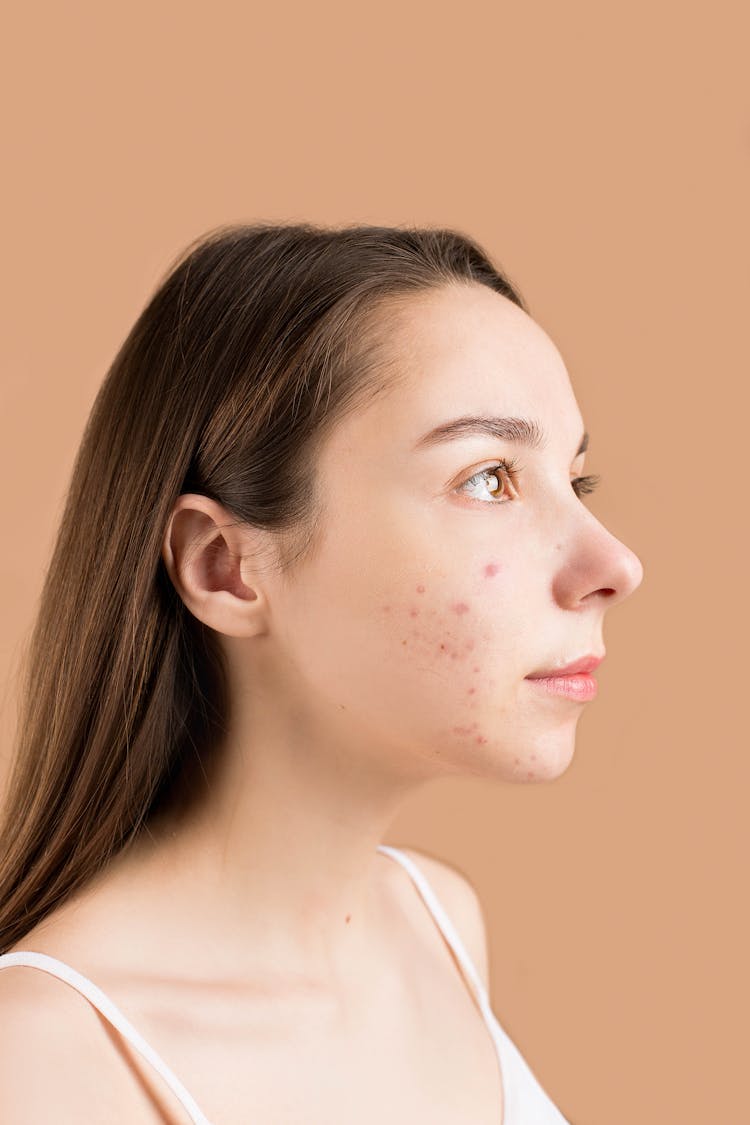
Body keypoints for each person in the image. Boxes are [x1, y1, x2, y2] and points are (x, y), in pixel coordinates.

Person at [0, 221, 643, 1123]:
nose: (615, 563)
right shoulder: (45, 1060)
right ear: (224, 566)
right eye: (489, 477)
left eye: (575, 481)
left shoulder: (439, 923)